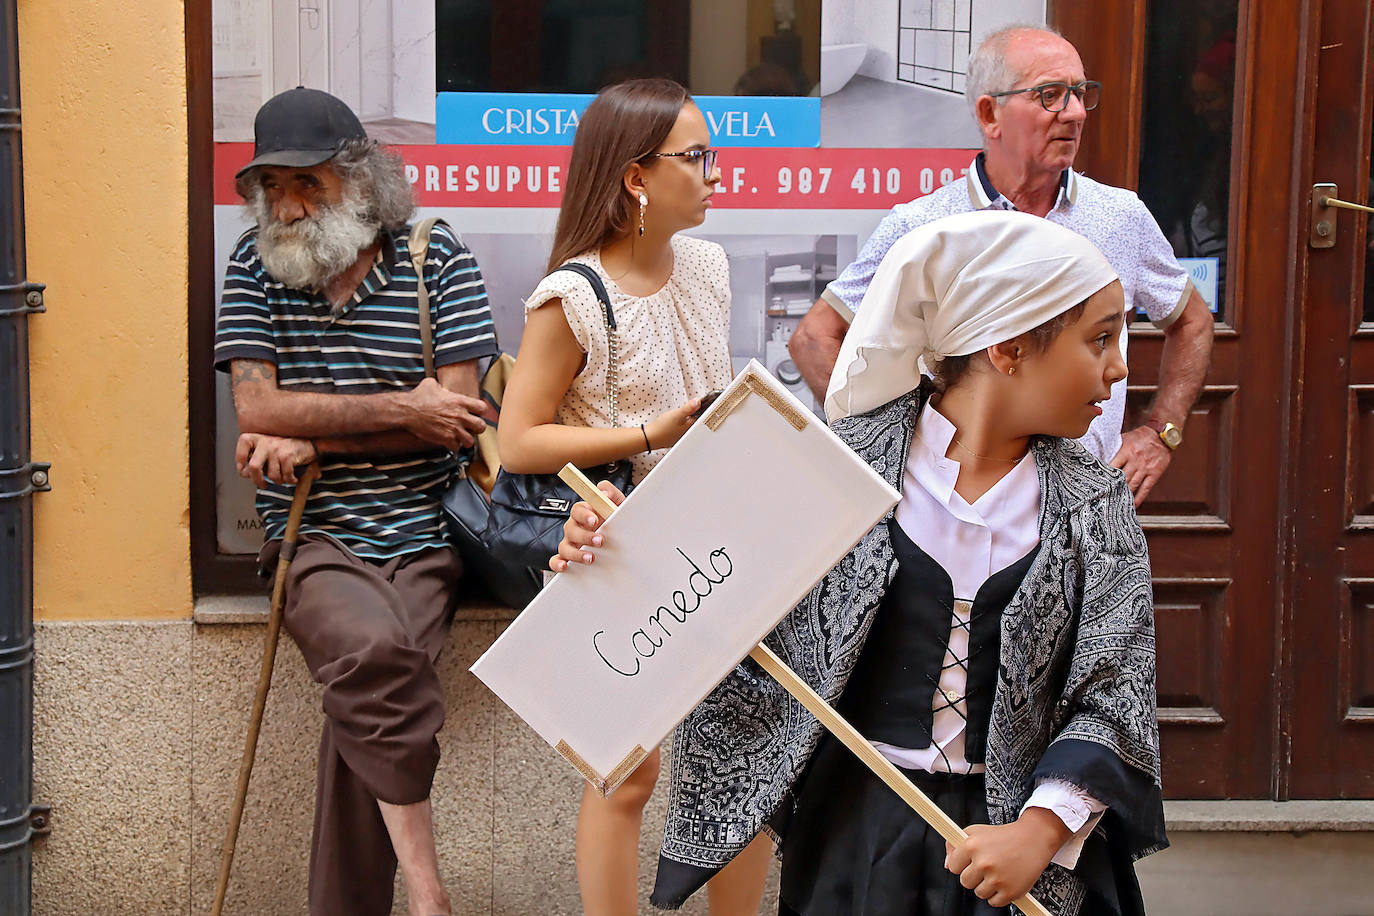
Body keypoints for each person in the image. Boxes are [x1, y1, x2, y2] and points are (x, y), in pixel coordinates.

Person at [556, 211, 1168, 916]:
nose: (1120, 367)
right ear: (1008, 346)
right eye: (1100, 339)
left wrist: (1038, 832)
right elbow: (705, 599)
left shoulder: (1095, 503)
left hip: (1026, 857)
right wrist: (612, 547)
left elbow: (1116, 690)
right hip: (859, 843)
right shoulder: (837, 468)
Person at [214, 87, 499, 916]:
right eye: (274, 186)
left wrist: (321, 435)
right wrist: (399, 409)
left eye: (311, 183)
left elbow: (457, 421)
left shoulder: (434, 258)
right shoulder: (251, 266)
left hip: (422, 528)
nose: (291, 204)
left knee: (366, 691)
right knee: (376, 655)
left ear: (362, 177)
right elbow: (259, 413)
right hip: (312, 533)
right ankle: (428, 894)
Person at [496, 78, 773, 916]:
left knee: (743, 759)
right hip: (614, 545)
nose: (716, 172)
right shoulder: (573, 297)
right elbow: (518, 440)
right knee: (627, 768)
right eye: (696, 156)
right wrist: (649, 436)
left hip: (716, 539)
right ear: (636, 178)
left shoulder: (708, 266)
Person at [789, 24, 1215, 506]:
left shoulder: (1120, 217)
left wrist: (1162, 432)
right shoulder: (927, 224)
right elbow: (814, 338)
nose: (1074, 113)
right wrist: (888, 453)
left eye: (1079, 93)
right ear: (990, 114)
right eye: (1050, 95)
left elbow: (1192, 321)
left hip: (1082, 510)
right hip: (947, 512)